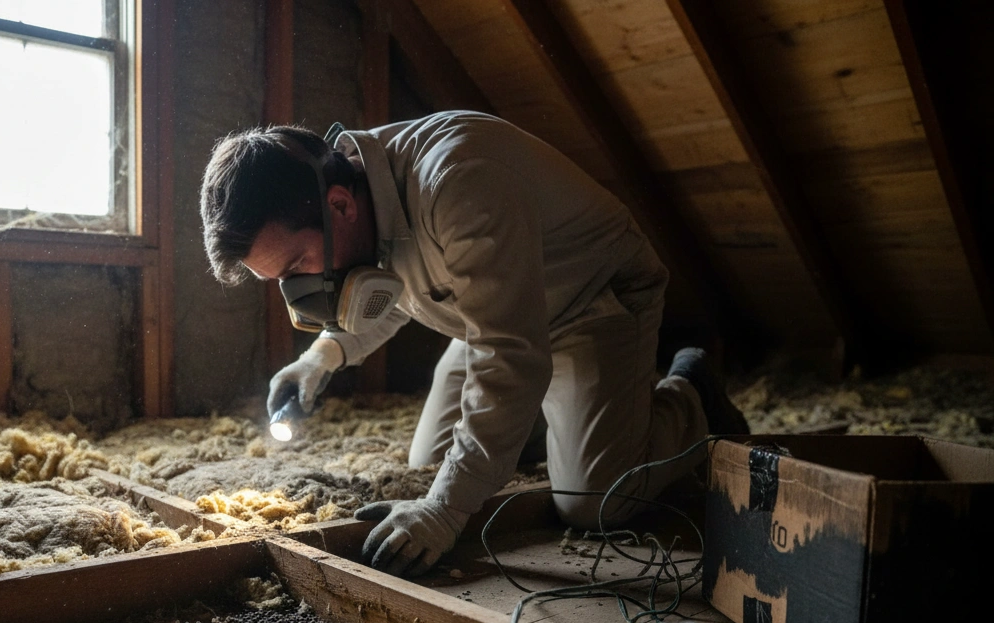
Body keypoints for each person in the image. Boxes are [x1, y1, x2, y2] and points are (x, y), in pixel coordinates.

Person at [199, 111, 747, 578]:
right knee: (430, 463)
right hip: (488, 315)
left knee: (592, 499)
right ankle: (563, 419)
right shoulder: (357, 202)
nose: (302, 288)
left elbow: (510, 357)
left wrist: (443, 510)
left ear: (339, 205)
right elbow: (389, 295)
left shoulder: (457, 183)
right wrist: (319, 359)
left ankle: (690, 392)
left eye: (297, 266)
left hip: (588, 304)